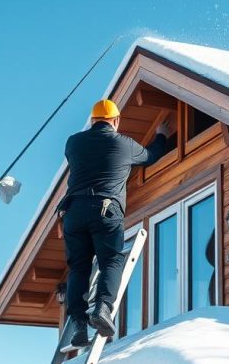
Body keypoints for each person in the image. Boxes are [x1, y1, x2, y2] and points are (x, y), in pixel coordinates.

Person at [61, 99, 171, 347]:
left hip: (74, 211)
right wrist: (161, 135)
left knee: (78, 268)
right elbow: (151, 156)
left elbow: (80, 155)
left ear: (92, 120)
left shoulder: (73, 143)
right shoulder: (124, 145)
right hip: (105, 210)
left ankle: (78, 323)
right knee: (111, 260)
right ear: (116, 121)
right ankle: (102, 307)